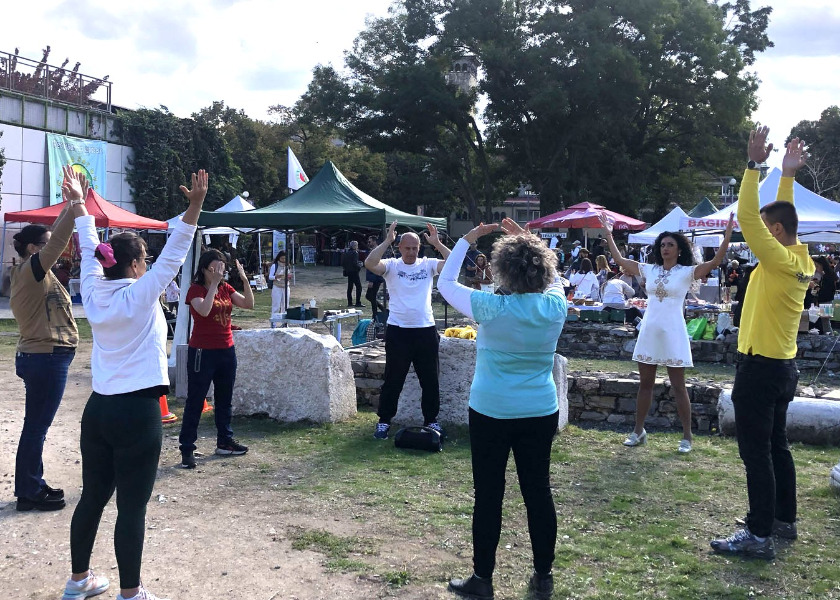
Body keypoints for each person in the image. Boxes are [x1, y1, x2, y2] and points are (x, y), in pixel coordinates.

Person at [60, 167, 208, 600]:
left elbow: (89, 244)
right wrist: (194, 205)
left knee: (92, 498)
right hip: (137, 411)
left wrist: (77, 202)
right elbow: (177, 251)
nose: (149, 265)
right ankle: (130, 592)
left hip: (99, 409)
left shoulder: (93, 287)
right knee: (131, 507)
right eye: (145, 259)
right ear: (137, 263)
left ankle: (77, 581)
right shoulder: (141, 293)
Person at [439, 218, 567, 600]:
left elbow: (445, 284)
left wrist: (467, 239)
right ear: (542, 267)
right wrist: (528, 240)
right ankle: (543, 576)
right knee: (538, 492)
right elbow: (555, 275)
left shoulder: (489, 306)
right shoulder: (555, 306)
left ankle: (482, 579)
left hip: (491, 409)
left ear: (501, 270)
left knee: (489, 495)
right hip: (539, 409)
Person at [710, 130, 811, 560]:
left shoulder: (780, 258)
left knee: (757, 453)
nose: (760, 240)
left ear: (775, 232)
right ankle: (781, 520)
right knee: (776, 446)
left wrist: (752, 168)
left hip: (761, 367)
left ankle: (758, 533)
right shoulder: (799, 259)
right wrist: (786, 176)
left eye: (768, 233)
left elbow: (751, 220)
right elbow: (778, 216)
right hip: (781, 366)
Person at [599, 210, 733, 453]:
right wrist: (609, 234)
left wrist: (726, 237)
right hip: (649, 329)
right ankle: (638, 431)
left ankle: (687, 437)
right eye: (662, 245)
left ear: (679, 248)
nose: (665, 248)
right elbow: (619, 260)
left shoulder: (686, 272)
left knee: (679, 386)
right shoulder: (649, 269)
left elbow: (714, 263)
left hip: (673, 332)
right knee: (645, 385)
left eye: (670, 244)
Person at [10, 167, 84, 513]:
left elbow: (54, 242)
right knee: (36, 427)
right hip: (45, 357)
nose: (51, 249)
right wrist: (73, 205)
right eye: (42, 244)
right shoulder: (31, 270)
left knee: (36, 426)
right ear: (30, 248)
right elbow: (57, 242)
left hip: (44, 356)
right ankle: (29, 491)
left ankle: (32, 484)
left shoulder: (37, 274)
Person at [364, 221, 451, 439]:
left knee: (430, 380)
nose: (411, 252)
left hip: (425, 330)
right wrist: (387, 241)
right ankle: (384, 421)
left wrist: (438, 243)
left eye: (415, 248)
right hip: (398, 331)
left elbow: (453, 263)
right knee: (393, 379)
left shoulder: (428, 264)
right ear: (400, 248)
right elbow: (369, 263)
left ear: (419, 249)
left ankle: (431, 420)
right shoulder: (391, 265)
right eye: (407, 248)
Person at [178, 250, 254, 469]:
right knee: (196, 400)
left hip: (226, 349)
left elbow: (248, 304)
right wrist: (214, 283)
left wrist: (244, 280)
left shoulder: (225, 288)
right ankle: (187, 448)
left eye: (222, 267)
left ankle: (224, 441)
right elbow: (203, 310)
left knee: (224, 398)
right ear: (204, 268)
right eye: (215, 268)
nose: (219, 272)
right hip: (202, 351)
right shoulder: (196, 290)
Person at [365, 236, 386, 319]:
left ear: (374, 241)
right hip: (375, 277)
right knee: (370, 296)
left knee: (371, 296)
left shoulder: (377, 251)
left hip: (376, 278)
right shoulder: (373, 251)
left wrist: (371, 280)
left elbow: (375, 266)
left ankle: (375, 313)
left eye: (370, 242)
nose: (368, 243)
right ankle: (381, 310)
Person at [342, 240, 364, 308]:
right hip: (354, 272)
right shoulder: (355, 253)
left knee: (350, 287)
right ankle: (358, 302)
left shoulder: (346, 252)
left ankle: (350, 302)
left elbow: (343, 262)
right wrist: (359, 266)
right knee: (359, 287)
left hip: (348, 272)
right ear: (355, 246)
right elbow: (355, 263)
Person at [269, 251, 290, 316]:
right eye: (282, 258)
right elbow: (270, 277)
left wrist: (289, 277)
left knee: (285, 306)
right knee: (276, 306)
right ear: (279, 258)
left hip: (286, 287)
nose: (283, 260)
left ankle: (285, 323)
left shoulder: (287, 265)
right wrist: (276, 277)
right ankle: (274, 324)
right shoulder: (275, 265)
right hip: (277, 287)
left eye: (285, 258)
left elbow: (289, 274)